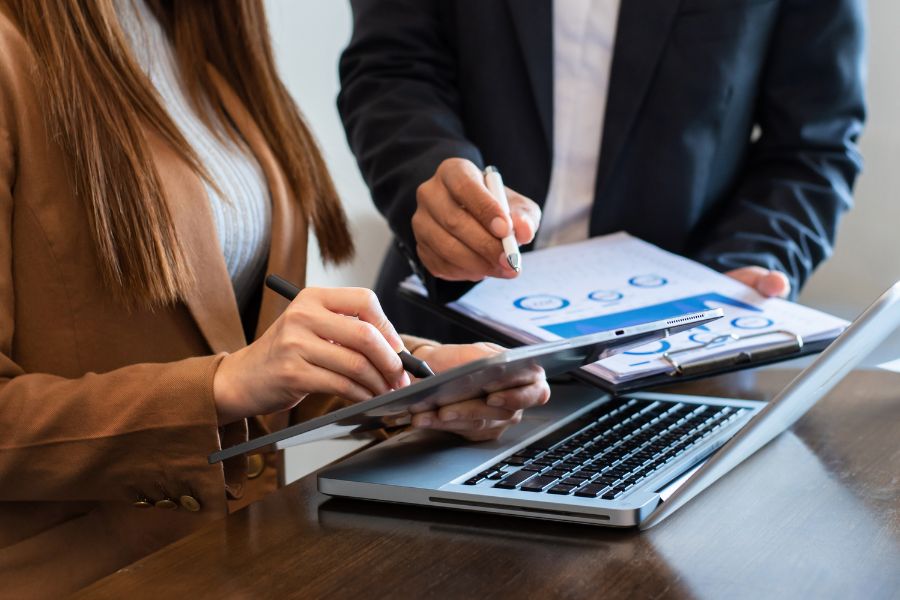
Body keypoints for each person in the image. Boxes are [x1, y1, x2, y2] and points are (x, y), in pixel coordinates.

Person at [0, 0, 549, 595]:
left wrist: (411, 377)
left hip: (245, 553)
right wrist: (220, 386)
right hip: (88, 574)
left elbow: (249, 358)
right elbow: (235, 375)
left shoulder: (202, 35)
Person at [338, 0, 866, 342]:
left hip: (683, 353)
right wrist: (432, 184)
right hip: (444, 339)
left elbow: (812, 144)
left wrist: (747, 263)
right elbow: (390, 70)